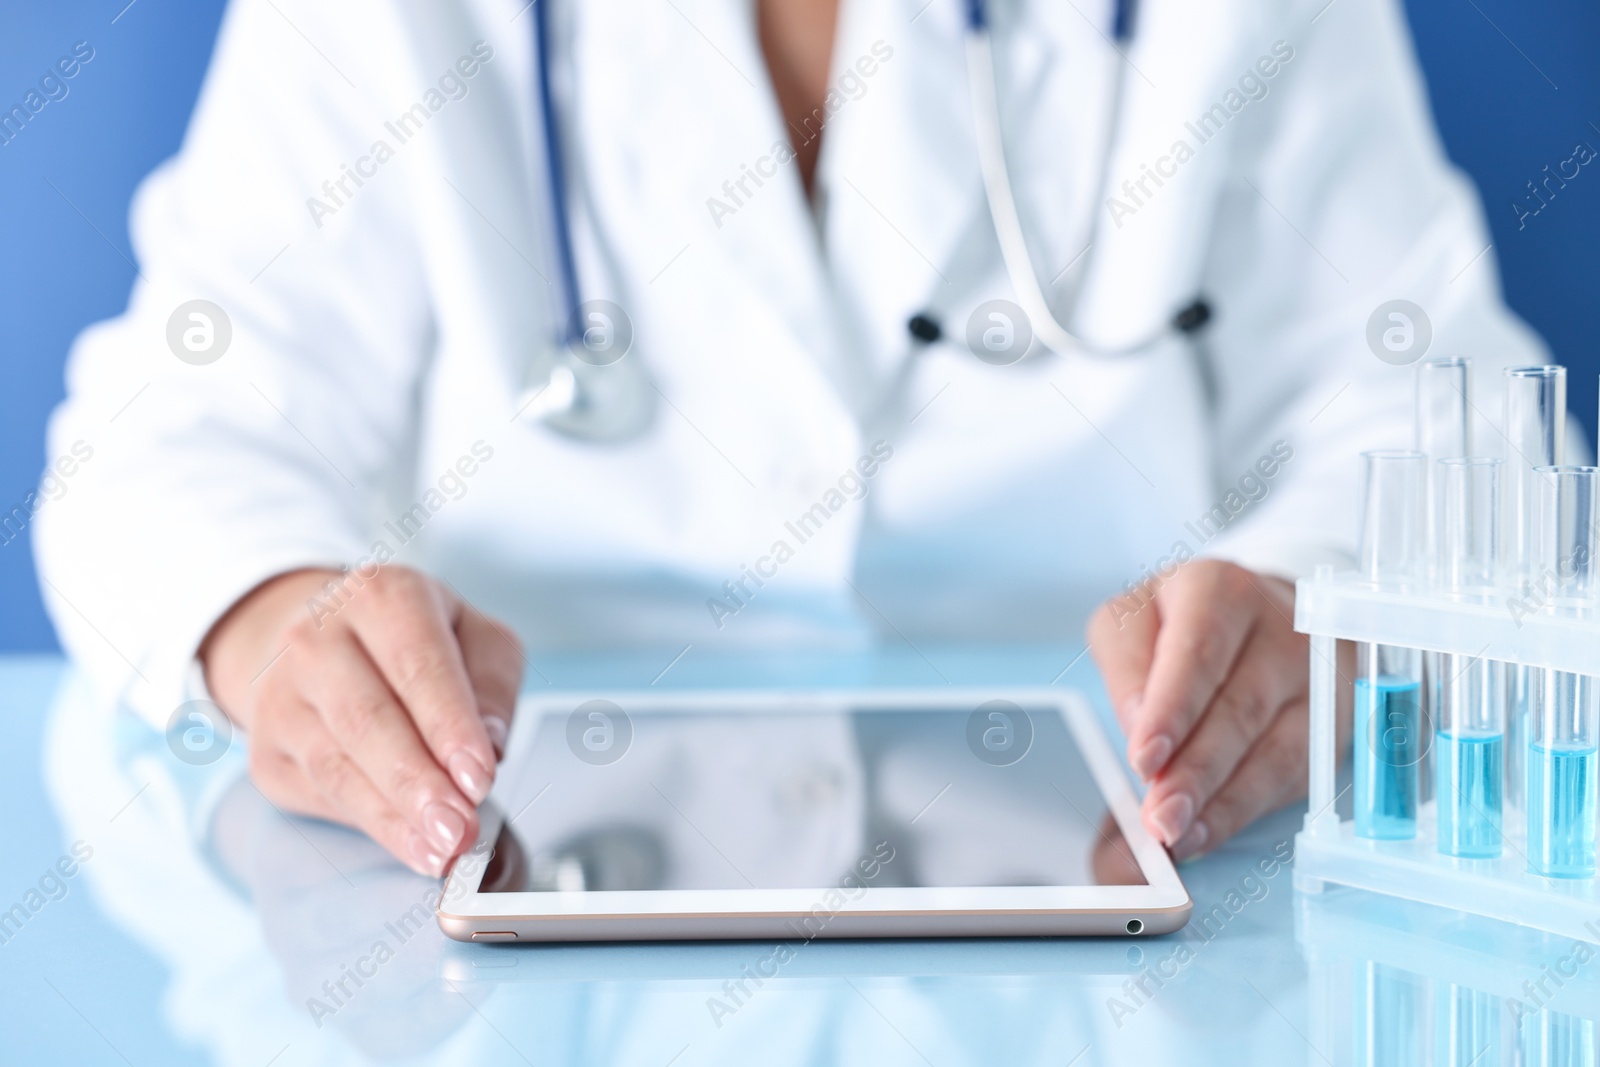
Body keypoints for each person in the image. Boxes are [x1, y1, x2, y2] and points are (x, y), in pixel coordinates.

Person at [37, 0, 1546, 878]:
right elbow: (158, 440)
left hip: (1131, 880)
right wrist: (273, 626)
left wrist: (1316, 622)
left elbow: (1450, 421)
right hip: (522, 880)